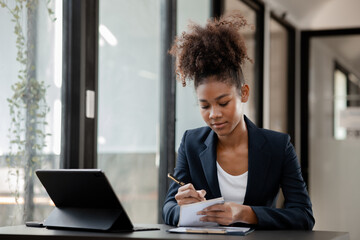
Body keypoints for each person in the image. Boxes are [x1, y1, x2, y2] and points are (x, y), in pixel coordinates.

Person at [162, 13, 315, 230]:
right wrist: (185, 206)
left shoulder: (278, 147)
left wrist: (246, 213)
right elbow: (168, 209)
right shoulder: (191, 142)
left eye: (223, 103)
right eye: (204, 106)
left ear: (243, 93)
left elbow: (303, 216)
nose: (213, 114)